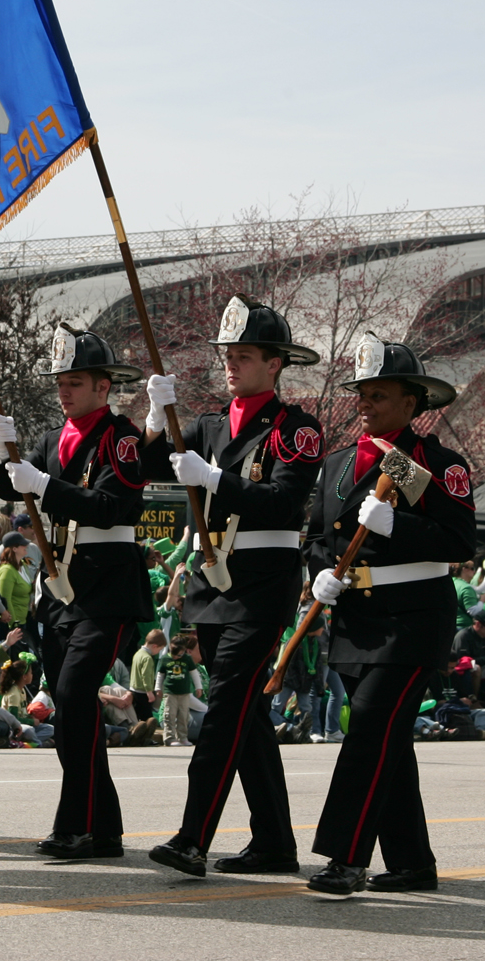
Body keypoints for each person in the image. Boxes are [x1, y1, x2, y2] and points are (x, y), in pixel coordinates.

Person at [143, 295, 324, 879]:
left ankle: (193, 836)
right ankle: (273, 841)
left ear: (274, 363)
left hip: (261, 583)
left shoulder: (295, 429)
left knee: (224, 711)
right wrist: (154, 418)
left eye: (243, 355)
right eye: (227, 354)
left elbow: (283, 500)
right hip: (212, 582)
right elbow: (146, 470)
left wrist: (214, 478)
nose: (230, 363)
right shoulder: (209, 425)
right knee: (244, 717)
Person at [302, 333, 473, 897]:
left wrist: (397, 525)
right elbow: (316, 536)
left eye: (379, 394)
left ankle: (346, 857)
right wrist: (320, 573)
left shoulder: (432, 464)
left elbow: (460, 539)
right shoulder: (337, 466)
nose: (366, 403)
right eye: (362, 394)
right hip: (355, 620)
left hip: (411, 620)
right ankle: (410, 861)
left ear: (412, 402)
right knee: (388, 743)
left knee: (369, 730)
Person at [0, 324, 149, 859]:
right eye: (61, 381)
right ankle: (96, 827)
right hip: (59, 592)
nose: (64, 390)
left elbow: (110, 507)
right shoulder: (52, 440)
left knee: (78, 694)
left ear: (104, 387)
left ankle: (81, 822)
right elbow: (13, 485)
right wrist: (2, 456)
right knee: (68, 705)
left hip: (107, 588)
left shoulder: (119, 438)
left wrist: (42, 484)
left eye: (76, 381)